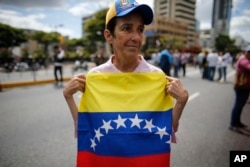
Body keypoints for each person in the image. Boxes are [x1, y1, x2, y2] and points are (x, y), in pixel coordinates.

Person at [63, 0, 188, 166]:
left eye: (140, 30)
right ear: (109, 35)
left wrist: (181, 102)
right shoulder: (95, 77)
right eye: (127, 28)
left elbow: (165, 131)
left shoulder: (157, 76)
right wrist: (68, 97)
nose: (136, 37)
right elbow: (88, 129)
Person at [229, 45, 250, 131]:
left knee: (241, 104)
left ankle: (237, 122)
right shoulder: (244, 60)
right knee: (238, 105)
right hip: (241, 85)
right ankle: (233, 124)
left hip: (245, 86)